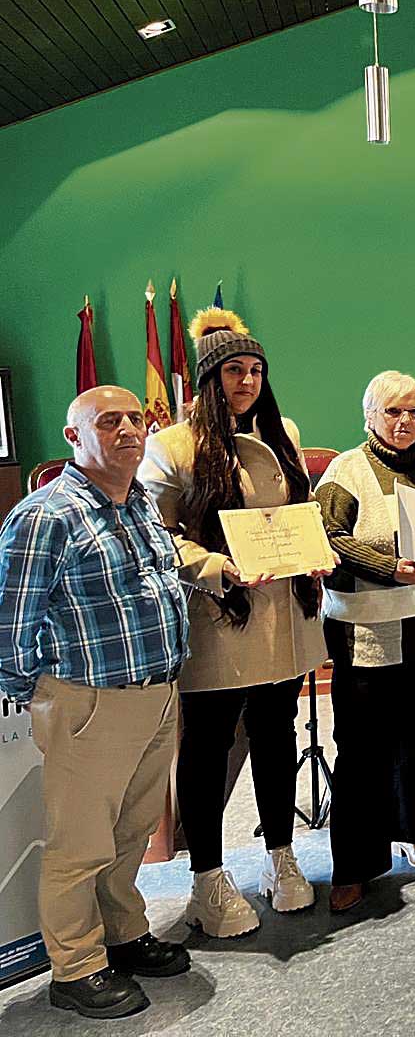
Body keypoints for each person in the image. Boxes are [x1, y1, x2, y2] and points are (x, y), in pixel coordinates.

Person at [0, 388, 189, 1019]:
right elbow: (9, 624)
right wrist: (44, 696)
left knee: (132, 830)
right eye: (110, 421)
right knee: (79, 845)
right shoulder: (45, 516)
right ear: (74, 437)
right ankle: (76, 966)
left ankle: (123, 932)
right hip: (90, 704)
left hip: (157, 693)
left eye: (137, 418)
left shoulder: (140, 502)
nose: (129, 429)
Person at [138, 309, 327, 937]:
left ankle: (281, 854)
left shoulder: (283, 432)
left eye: (256, 370)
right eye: (233, 370)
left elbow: (298, 511)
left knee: (276, 734)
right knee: (208, 746)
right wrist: (217, 566)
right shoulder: (172, 446)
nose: (246, 381)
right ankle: (207, 877)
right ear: (209, 378)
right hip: (219, 614)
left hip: (283, 614)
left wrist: (314, 550)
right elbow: (157, 537)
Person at [315, 371, 415, 909]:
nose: (405, 421)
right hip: (370, 631)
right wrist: (391, 568)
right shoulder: (345, 470)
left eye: (414, 411)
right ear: (370, 416)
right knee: (361, 750)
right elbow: (330, 540)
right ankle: (353, 865)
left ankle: (413, 831)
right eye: (393, 411)